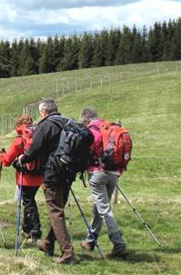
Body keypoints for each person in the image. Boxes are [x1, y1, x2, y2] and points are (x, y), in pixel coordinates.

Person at [18, 98, 78, 265]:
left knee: (55, 212)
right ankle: (48, 243)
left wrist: (23, 159)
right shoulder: (69, 122)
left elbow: (33, 150)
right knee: (58, 209)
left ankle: (67, 252)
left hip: (52, 173)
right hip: (69, 172)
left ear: (43, 112)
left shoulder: (45, 125)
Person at [79, 107, 128, 259]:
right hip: (113, 173)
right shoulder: (109, 128)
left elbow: (86, 152)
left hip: (97, 173)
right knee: (98, 207)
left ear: (86, 120)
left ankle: (118, 243)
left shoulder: (92, 131)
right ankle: (90, 241)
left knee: (104, 209)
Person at [0, 114, 43, 244]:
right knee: (28, 201)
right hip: (38, 175)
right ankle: (27, 228)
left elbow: (7, 160)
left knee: (29, 203)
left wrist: (1, 154)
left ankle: (35, 230)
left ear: (18, 125)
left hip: (25, 177)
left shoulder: (19, 139)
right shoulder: (38, 136)